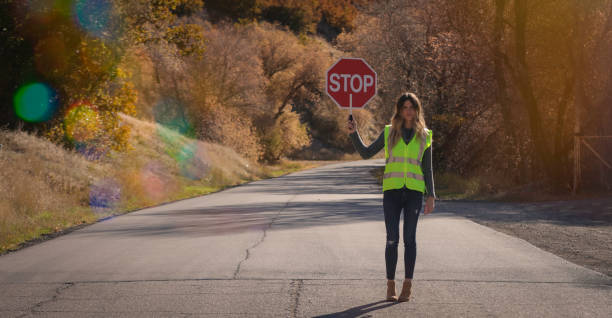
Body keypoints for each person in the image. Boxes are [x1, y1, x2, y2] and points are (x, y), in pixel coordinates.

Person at [347, 92, 435, 302]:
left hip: (414, 192)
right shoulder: (389, 132)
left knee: (410, 240)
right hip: (392, 191)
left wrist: (431, 195)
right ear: (399, 110)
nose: (408, 111)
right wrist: (354, 134)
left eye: (411, 107)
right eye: (404, 107)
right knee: (392, 239)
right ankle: (390, 286)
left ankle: (407, 285)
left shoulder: (425, 135)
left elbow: (428, 168)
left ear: (416, 110)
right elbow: (367, 153)